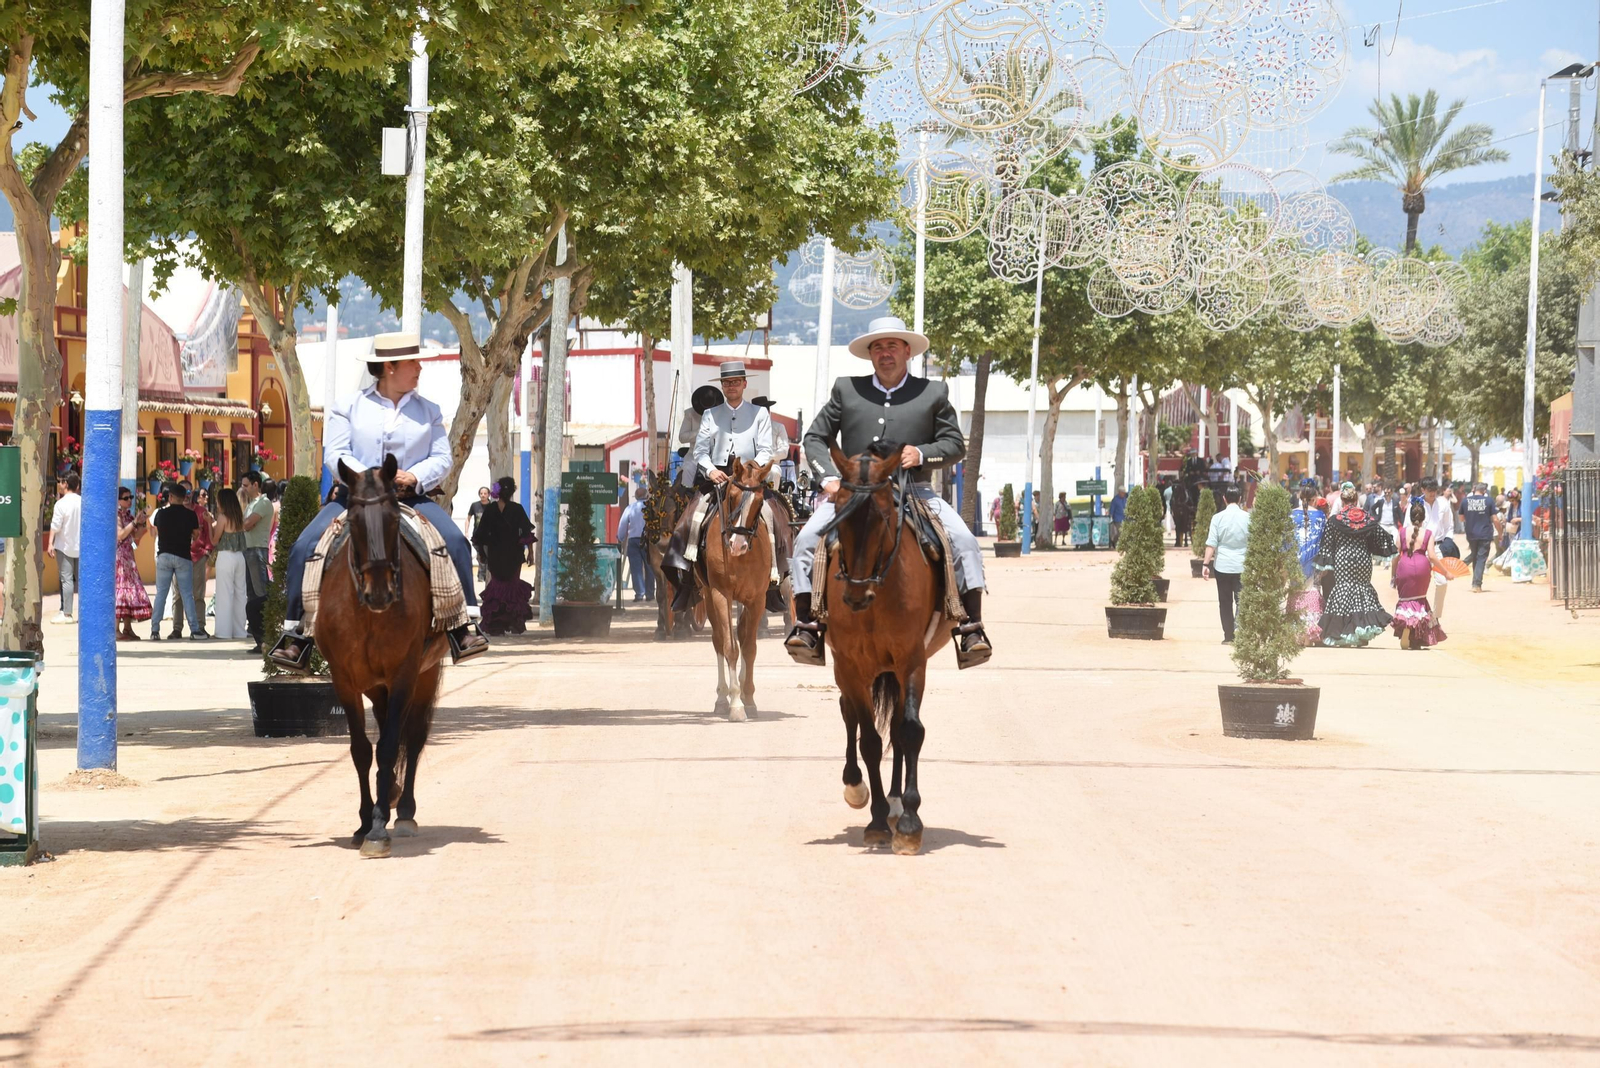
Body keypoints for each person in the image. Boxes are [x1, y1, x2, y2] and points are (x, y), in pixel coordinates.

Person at [270, 331, 487, 669]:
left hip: (411, 499)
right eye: (412, 362)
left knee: (457, 542)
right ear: (389, 367)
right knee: (303, 547)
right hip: (353, 499)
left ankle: (464, 627)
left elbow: (442, 457)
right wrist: (371, 479)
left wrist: (415, 476)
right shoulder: (347, 407)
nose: (419, 368)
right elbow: (336, 453)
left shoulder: (428, 410)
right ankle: (296, 636)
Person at [784, 316, 991, 668]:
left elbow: (955, 443)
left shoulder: (933, 392)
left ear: (907, 351)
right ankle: (808, 626)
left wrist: (922, 452)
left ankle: (971, 629)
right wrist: (830, 479)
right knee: (805, 541)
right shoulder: (846, 390)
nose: (885, 353)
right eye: (878, 347)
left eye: (892, 346)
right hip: (853, 493)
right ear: (870, 355)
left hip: (914, 490)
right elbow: (816, 438)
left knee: (965, 543)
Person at [661, 360, 783, 614]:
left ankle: (775, 581)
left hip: (749, 478)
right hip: (717, 477)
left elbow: (765, 450)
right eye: (727, 383)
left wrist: (751, 471)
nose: (731, 386)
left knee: (774, 517)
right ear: (723, 386)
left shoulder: (759, 414)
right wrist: (710, 470)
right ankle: (686, 583)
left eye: (736, 382)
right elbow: (701, 450)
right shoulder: (710, 414)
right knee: (690, 518)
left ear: (744, 384)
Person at [1314, 483, 1397, 648]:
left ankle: (1343, 632)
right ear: (1356, 499)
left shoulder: (1335, 520)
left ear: (1342, 500)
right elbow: (1381, 534)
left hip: (1343, 560)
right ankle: (1361, 632)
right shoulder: (1367, 518)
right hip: (1362, 561)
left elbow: (1328, 542)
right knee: (1360, 593)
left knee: (1344, 592)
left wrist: (1325, 565)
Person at [472, 475, 536, 635]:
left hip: (495, 554)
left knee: (497, 587)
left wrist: (481, 553)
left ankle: (496, 625)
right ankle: (514, 623)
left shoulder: (490, 510)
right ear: (512, 491)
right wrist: (531, 553)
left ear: (497, 491)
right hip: (513, 555)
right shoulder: (517, 509)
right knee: (512, 587)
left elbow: (480, 534)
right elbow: (527, 532)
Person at [149, 482, 209, 640]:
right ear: (184, 498)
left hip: (164, 555)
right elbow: (196, 535)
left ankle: (155, 630)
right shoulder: (190, 515)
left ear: (170, 497)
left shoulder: (161, 514)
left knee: (161, 593)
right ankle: (195, 630)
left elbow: (157, 531)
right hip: (183, 556)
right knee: (187, 594)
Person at [1391, 501, 1447, 649]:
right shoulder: (1428, 534)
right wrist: (1445, 571)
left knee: (1405, 600)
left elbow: (1396, 556)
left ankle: (1406, 629)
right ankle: (1415, 637)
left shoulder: (1402, 532)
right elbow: (1433, 556)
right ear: (1424, 518)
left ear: (1409, 517)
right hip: (1422, 567)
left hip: (1404, 566)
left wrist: (1393, 575)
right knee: (1419, 600)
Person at [1200, 484, 1249, 644]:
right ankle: (1240, 630)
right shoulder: (1248, 518)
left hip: (1222, 566)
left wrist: (1205, 564)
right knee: (1242, 601)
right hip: (1243, 565)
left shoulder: (1217, 518)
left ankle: (1229, 636)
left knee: (1225, 602)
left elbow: (1211, 544)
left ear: (1224, 499)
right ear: (1240, 499)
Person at [239, 470, 275, 652]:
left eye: (246, 485)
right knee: (252, 595)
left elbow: (246, 524)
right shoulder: (252, 503)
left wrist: (242, 523)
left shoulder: (263, 502)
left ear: (255, 484)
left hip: (257, 551)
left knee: (261, 595)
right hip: (249, 551)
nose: (243, 489)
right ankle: (259, 640)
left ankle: (267, 638)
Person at [210, 487, 249, 640]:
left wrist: (208, 524)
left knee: (224, 594)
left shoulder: (222, 517)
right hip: (240, 557)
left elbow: (214, 540)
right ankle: (240, 631)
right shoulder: (239, 516)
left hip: (225, 556)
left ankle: (223, 632)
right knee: (240, 594)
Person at [114, 487, 151, 640]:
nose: (129, 500)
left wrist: (140, 523)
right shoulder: (115, 516)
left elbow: (134, 539)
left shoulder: (128, 515)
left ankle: (127, 627)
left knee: (130, 592)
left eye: (131, 497)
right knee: (121, 592)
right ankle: (115, 629)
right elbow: (120, 535)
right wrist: (135, 522)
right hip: (120, 559)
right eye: (126, 498)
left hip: (129, 556)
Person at [46, 473, 82, 623]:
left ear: (66, 483)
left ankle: (67, 613)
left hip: (64, 546)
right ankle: (85, 612)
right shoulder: (83, 502)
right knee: (82, 580)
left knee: (66, 580)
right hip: (81, 547)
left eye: (60, 481)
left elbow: (55, 526)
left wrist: (50, 543)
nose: (59, 484)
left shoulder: (60, 504)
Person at [1419, 477, 1455, 621]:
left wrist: (1448, 541)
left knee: (1442, 582)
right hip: (1420, 548)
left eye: (1434, 490)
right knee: (1419, 583)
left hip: (1438, 547)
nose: (1432, 493)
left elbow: (1449, 526)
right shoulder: (1415, 504)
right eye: (1429, 491)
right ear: (1423, 490)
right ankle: (1418, 615)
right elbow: (1409, 526)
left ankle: (1435, 617)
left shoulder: (1444, 503)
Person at [1457, 481, 1499, 592]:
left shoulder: (1465, 501)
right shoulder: (1489, 501)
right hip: (1485, 533)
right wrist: (1500, 531)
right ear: (1484, 491)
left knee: (1476, 556)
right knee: (1481, 558)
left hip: (1471, 533)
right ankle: (1477, 584)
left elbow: (1461, 518)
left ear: (1474, 489)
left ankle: (1474, 581)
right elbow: (1495, 519)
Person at [617, 486, 653, 602]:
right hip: (648, 539)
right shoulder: (651, 507)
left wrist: (621, 537)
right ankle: (650, 594)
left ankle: (639, 593)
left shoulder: (630, 508)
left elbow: (623, 524)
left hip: (633, 540)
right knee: (650, 567)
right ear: (646, 496)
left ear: (636, 497)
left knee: (635, 568)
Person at [1290, 485, 1326, 582]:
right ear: (1314, 499)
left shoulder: (1291, 514)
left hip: (1294, 561)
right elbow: (1324, 540)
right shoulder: (1320, 515)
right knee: (1312, 593)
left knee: (1295, 594)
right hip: (1313, 562)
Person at [466, 485, 491, 583]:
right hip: (477, 535)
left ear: (488, 494)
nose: (483, 495)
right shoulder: (474, 505)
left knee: (486, 554)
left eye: (485, 493)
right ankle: (482, 574)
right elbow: (468, 519)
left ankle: (483, 575)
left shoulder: (492, 506)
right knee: (480, 555)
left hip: (489, 536)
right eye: (481, 493)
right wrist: (466, 531)